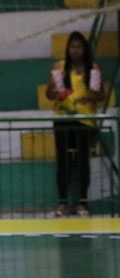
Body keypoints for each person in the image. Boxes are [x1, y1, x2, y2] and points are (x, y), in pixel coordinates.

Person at [45, 31, 104, 217]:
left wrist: (93, 92)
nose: (75, 50)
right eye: (72, 47)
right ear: (67, 49)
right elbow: (49, 95)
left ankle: (82, 203)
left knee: (82, 162)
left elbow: (100, 96)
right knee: (63, 161)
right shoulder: (59, 68)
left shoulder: (92, 68)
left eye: (79, 47)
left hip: (84, 121)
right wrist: (52, 89)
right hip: (63, 120)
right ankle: (62, 203)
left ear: (84, 49)